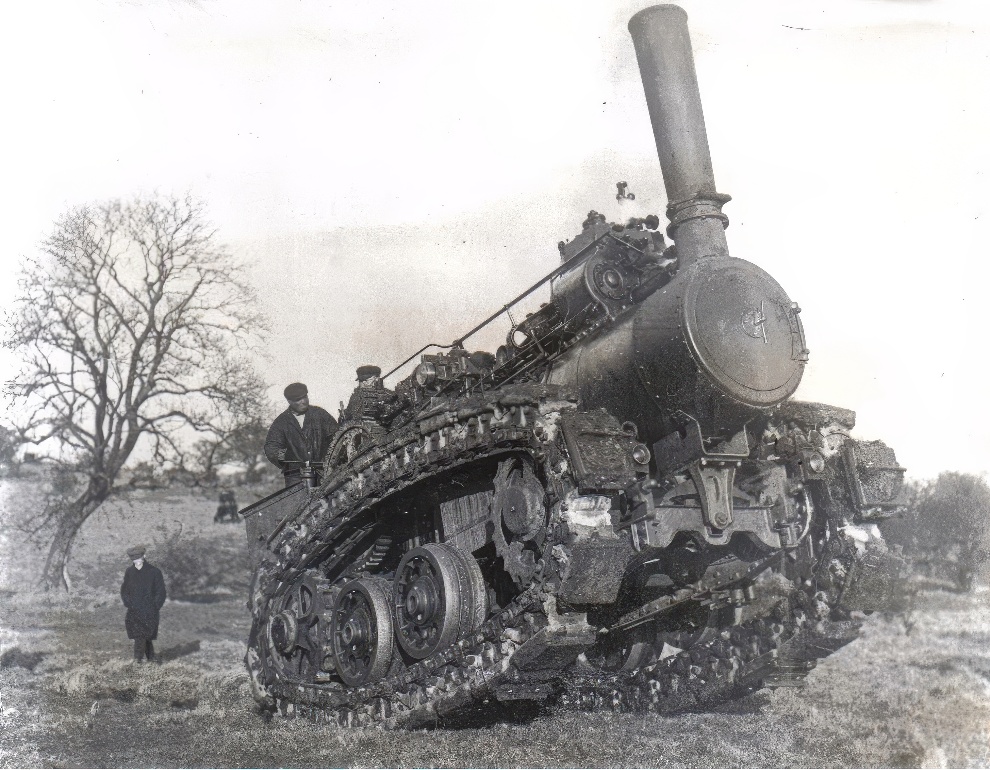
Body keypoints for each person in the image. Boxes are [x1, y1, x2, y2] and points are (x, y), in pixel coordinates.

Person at [264, 382, 338, 487]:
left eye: (305, 397)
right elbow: (271, 447)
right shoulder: (281, 422)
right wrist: (283, 455)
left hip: (324, 472)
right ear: (289, 401)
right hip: (296, 476)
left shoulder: (320, 414)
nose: (304, 401)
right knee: (299, 501)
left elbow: (336, 436)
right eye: (298, 399)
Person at [120, 545, 167, 664]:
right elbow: (124, 590)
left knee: (143, 636)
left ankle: (138, 660)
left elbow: (161, 592)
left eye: (139, 558)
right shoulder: (129, 572)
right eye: (134, 559)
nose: (137, 561)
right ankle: (150, 660)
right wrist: (128, 603)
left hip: (149, 610)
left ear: (144, 556)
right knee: (141, 636)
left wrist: (155, 606)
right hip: (134, 610)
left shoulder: (154, 572)